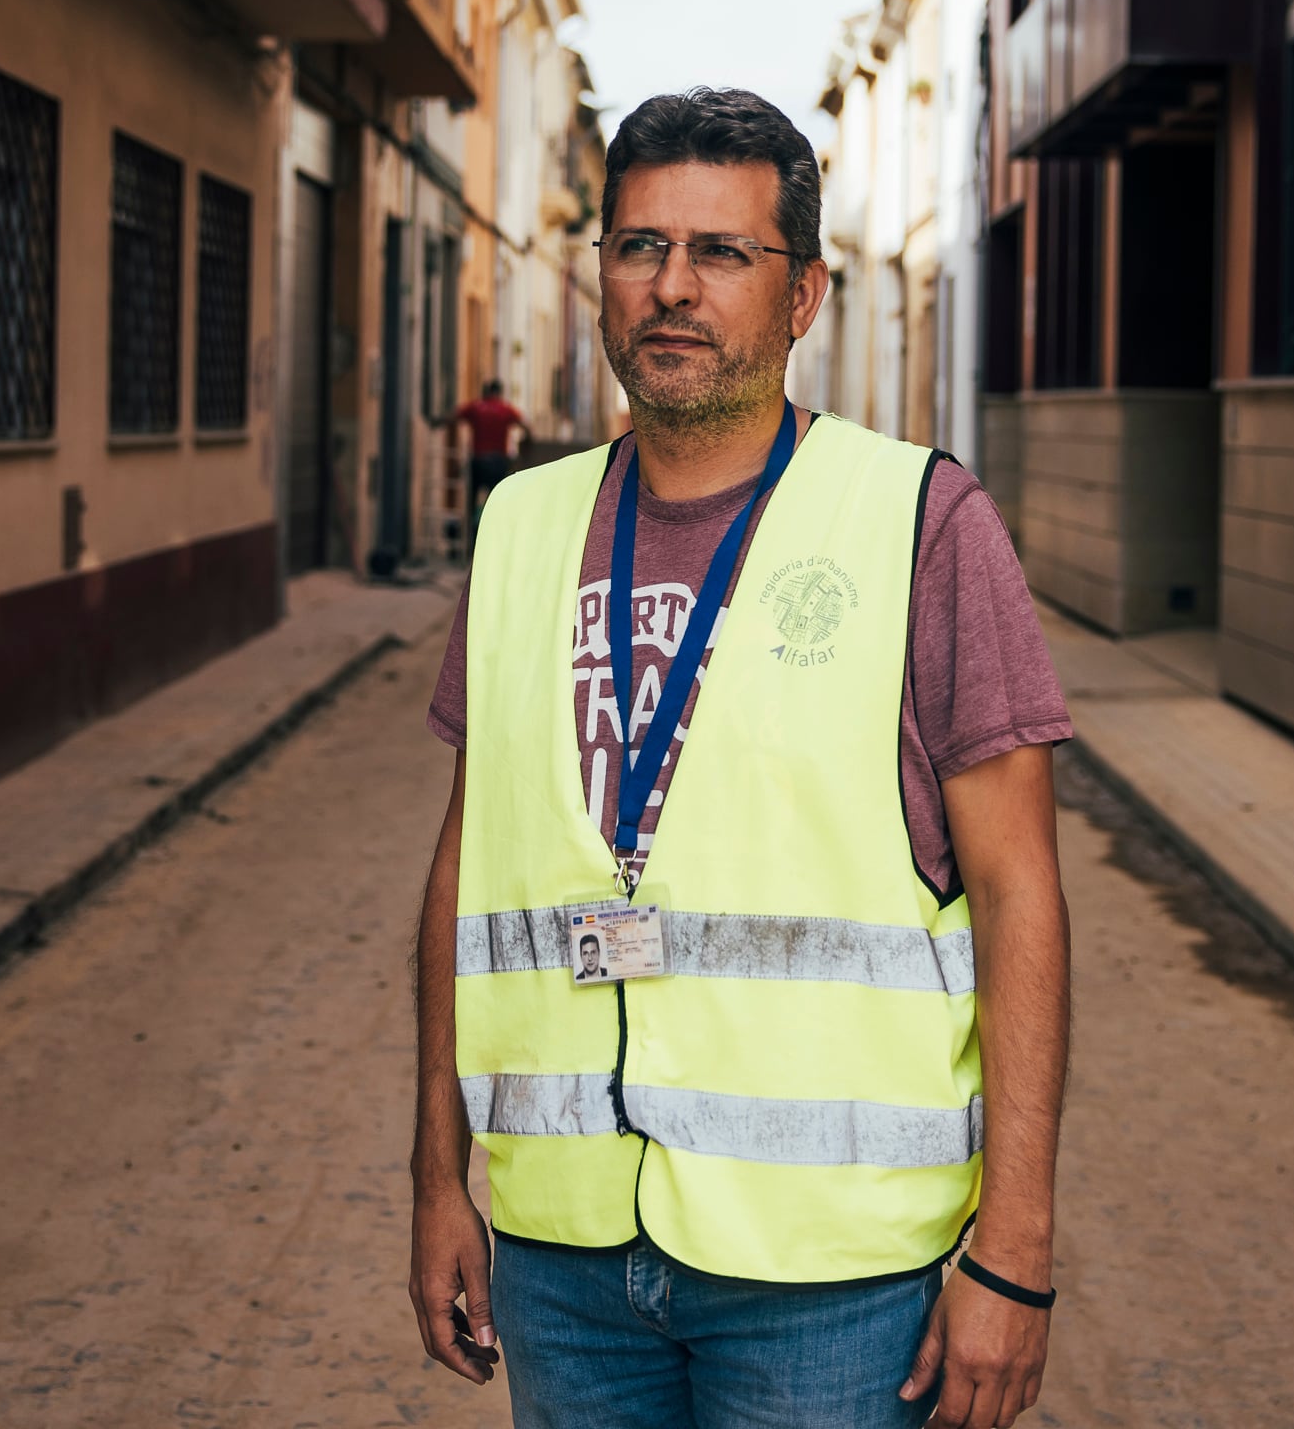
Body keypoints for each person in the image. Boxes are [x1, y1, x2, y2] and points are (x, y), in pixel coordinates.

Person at [410, 88, 1078, 1429]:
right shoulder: (526, 526)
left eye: (722, 252)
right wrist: (439, 1178)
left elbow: (1019, 896)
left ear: (804, 296)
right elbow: (466, 873)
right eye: (640, 246)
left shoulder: (919, 522)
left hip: (828, 1281)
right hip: (566, 1255)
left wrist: (1016, 1252)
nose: (673, 287)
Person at [454, 380, 528, 546]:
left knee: (472, 502)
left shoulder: (476, 407)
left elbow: (454, 416)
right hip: (497, 462)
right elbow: (525, 426)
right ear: (499, 392)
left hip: (479, 461)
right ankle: (493, 541)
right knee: (496, 502)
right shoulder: (505, 409)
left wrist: (436, 422)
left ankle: (471, 542)